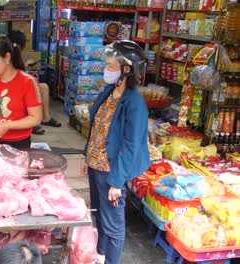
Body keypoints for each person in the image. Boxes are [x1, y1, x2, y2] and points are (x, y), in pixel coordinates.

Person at [83, 40, 150, 264]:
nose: (106, 70)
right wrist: (87, 155)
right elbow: (97, 128)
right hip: (96, 166)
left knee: (113, 224)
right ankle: (100, 256)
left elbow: (131, 146)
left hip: (112, 172)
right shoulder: (109, 91)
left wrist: (117, 182)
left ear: (127, 71)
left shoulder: (135, 103)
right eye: (107, 65)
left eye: (111, 66)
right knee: (99, 215)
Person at [7, 30, 62, 136]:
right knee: (31, 91)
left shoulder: (14, 54)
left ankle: (46, 118)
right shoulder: (7, 55)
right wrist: (25, 67)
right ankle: (28, 122)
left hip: (17, 84)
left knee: (44, 87)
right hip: (10, 87)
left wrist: (25, 68)